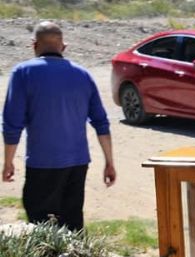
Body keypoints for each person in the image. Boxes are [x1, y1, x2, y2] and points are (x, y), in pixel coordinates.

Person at [2, 21, 115, 231]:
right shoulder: (83, 75)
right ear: (64, 46)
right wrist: (109, 162)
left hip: (42, 164)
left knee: (40, 229)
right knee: (72, 224)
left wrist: (8, 162)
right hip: (77, 164)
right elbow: (101, 123)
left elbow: (12, 124)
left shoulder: (23, 73)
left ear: (34, 45)